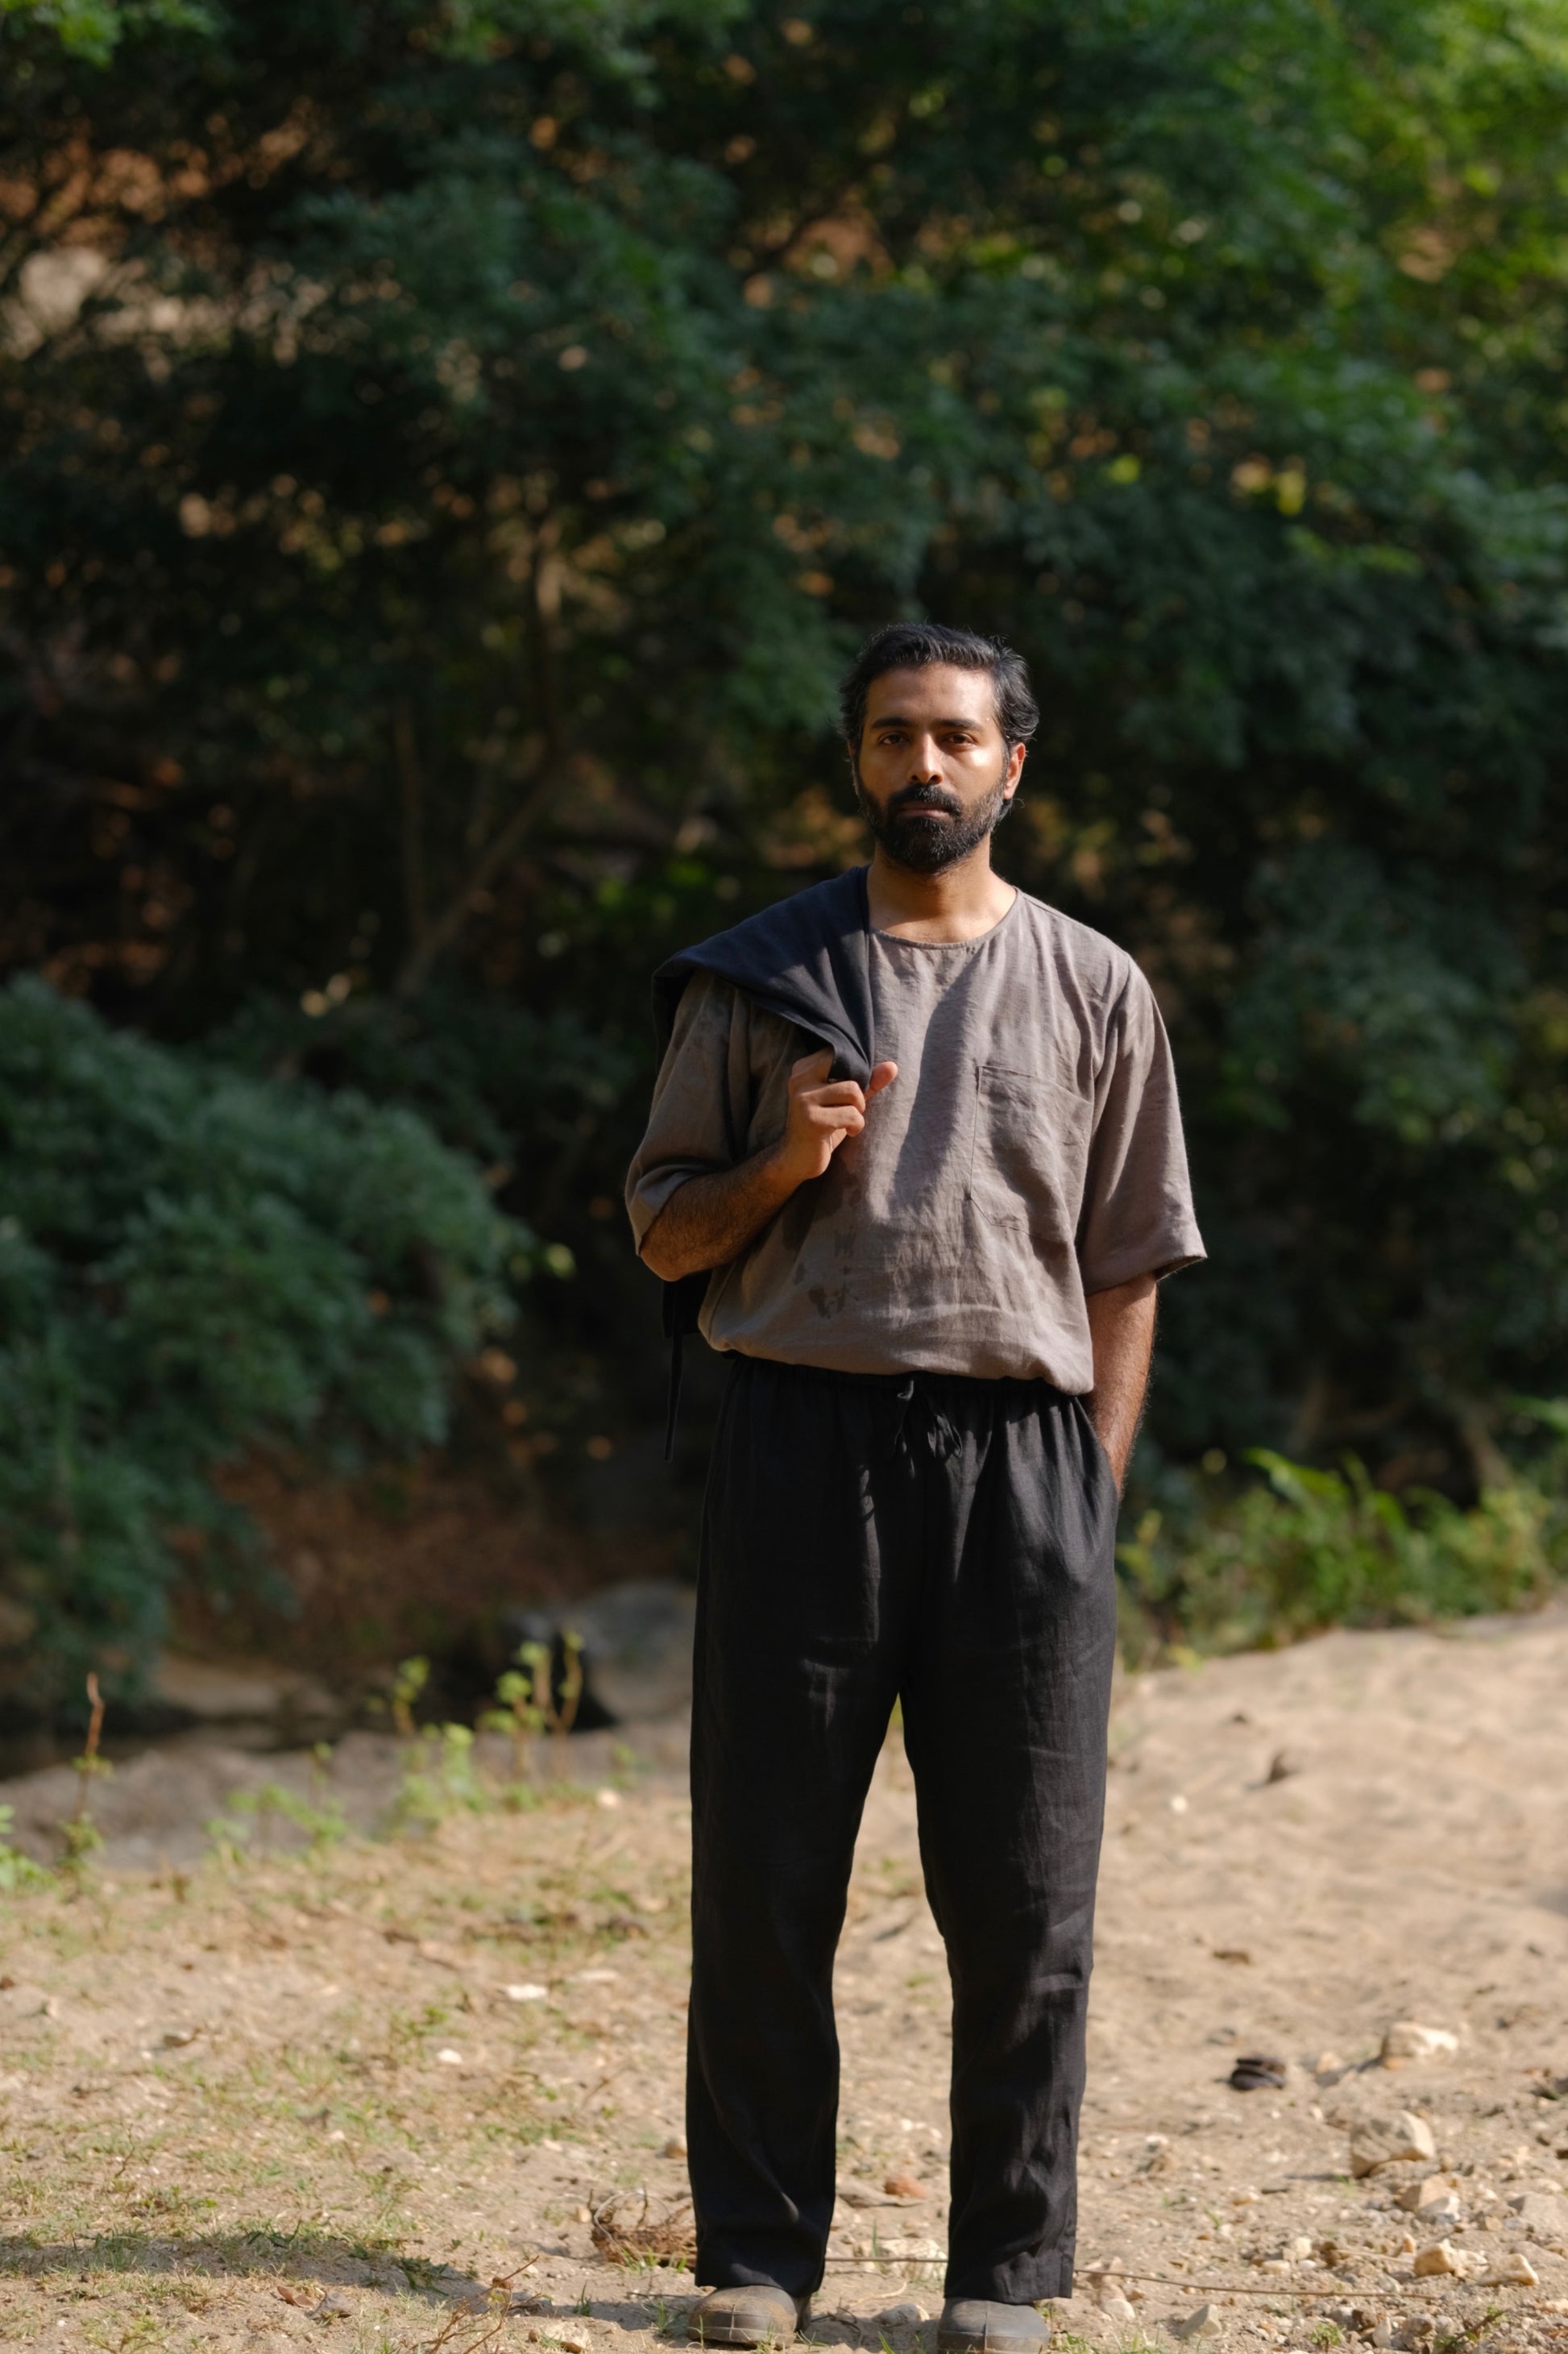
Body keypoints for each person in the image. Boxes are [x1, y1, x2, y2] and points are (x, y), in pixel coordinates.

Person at [624, 621, 1205, 2353]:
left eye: (956, 738)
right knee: (765, 1880)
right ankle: (755, 2264)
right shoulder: (763, 981)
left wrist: (1086, 1496)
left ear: (1012, 766)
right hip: (799, 1446)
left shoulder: (1098, 986)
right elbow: (662, 1225)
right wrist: (779, 1164)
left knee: (1027, 1901)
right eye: (893, 737)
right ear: (857, 760)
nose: (924, 766)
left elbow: (1126, 1273)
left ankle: (1001, 2281)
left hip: (1023, 1470)